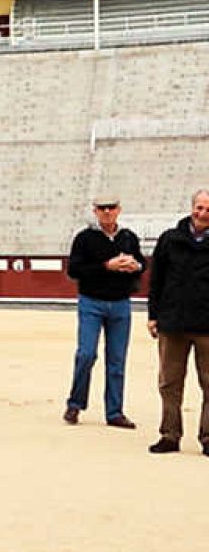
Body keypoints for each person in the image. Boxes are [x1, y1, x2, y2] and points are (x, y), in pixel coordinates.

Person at [63, 195, 145, 429]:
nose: (107, 212)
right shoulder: (85, 238)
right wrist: (106, 267)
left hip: (120, 303)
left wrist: (136, 266)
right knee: (86, 354)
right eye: (102, 208)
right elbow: (74, 270)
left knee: (117, 360)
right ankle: (75, 403)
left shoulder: (128, 238)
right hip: (91, 302)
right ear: (95, 211)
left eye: (111, 208)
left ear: (119, 210)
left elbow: (142, 264)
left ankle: (114, 412)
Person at [145, 189, 209, 455]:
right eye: (199, 207)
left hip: (208, 325)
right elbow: (156, 280)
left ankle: (208, 438)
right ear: (191, 207)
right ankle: (170, 435)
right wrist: (153, 315)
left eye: (208, 209)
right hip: (172, 323)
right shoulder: (170, 239)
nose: (203, 214)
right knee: (169, 383)